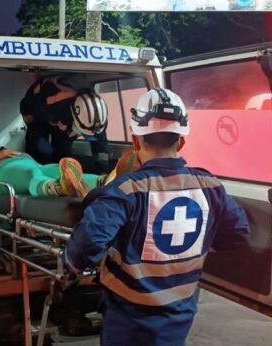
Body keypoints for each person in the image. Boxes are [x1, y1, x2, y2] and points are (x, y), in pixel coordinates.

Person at [62, 88, 251, 345]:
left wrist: (70, 268)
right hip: (178, 315)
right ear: (182, 141)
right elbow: (238, 233)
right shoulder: (210, 186)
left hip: (128, 319)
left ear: (135, 140)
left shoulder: (126, 190)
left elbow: (86, 244)